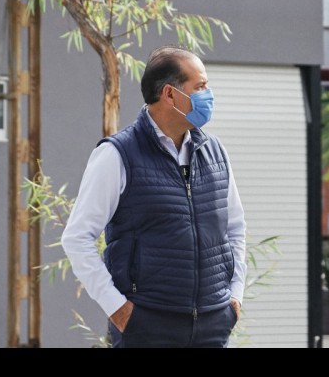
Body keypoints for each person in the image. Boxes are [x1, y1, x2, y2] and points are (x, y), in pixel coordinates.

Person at [61, 46, 247, 348]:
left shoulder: (215, 152)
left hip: (213, 324)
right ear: (170, 94)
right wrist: (118, 310)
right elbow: (77, 238)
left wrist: (234, 297)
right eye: (200, 87)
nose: (209, 95)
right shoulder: (117, 154)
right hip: (148, 326)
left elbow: (235, 228)